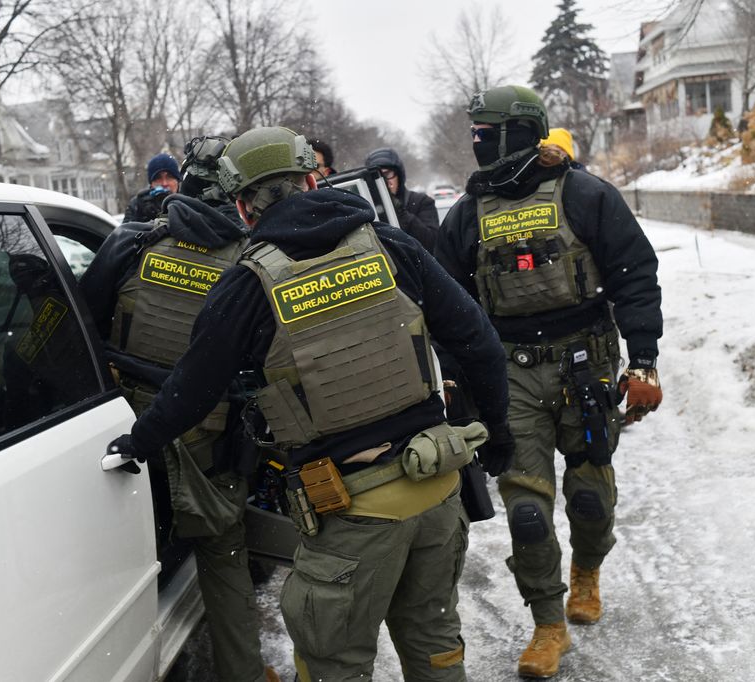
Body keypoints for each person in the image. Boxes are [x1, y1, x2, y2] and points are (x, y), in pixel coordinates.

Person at [106, 126, 513, 681]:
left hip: (352, 509)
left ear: (244, 206)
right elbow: (479, 343)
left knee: (332, 665)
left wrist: (137, 442)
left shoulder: (249, 284)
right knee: (435, 645)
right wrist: (498, 429)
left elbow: (192, 389)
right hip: (438, 494)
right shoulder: (389, 245)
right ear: (314, 176)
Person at [435, 85, 664, 679]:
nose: (477, 143)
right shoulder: (467, 214)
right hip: (509, 372)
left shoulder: (586, 195)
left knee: (588, 495)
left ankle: (588, 569)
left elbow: (635, 274)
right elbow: (448, 306)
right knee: (526, 511)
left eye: (485, 132)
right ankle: (547, 621)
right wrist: (458, 385)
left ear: (516, 132)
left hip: (583, 364)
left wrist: (643, 360)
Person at [80, 137, 279, 682]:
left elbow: (78, 330)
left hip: (124, 430)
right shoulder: (256, 262)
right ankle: (242, 671)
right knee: (223, 555)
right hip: (209, 439)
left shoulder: (130, 245)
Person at [365, 147, 440, 252]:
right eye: (377, 177)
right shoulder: (367, 210)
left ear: (399, 175)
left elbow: (432, 243)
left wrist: (400, 211)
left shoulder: (421, 202)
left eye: (388, 174)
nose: (385, 182)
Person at [123, 152, 181, 223]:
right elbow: (125, 231)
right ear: (151, 184)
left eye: (169, 177)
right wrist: (143, 216)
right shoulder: (137, 204)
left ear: (177, 181)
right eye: (158, 178)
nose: (164, 183)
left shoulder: (189, 201)